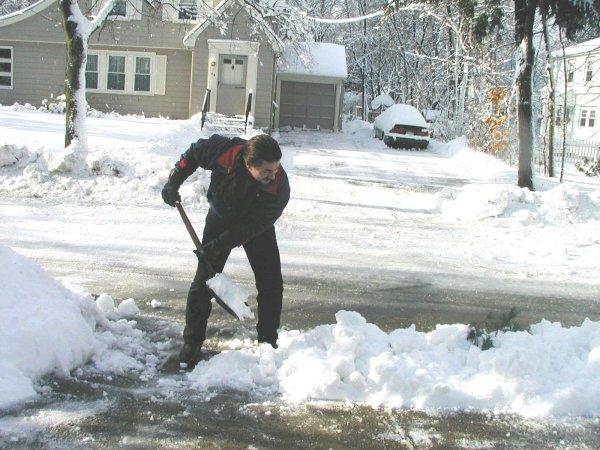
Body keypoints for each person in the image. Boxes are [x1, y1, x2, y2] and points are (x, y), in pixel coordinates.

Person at [161, 134, 290, 367]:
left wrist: (218, 245)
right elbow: (192, 154)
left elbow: (251, 227)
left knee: (271, 283)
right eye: (267, 171)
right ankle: (192, 342)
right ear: (249, 165)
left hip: (255, 226)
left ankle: (268, 343)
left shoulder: (278, 187)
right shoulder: (224, 152)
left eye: (277, 168)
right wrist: (174, 180)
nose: (274, 175)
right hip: (220, 217)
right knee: (203, 282)